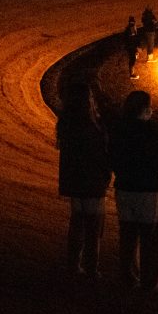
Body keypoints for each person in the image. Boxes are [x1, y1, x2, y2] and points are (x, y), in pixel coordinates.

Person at [109, 90, 158, 292]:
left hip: (125, 189)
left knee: (128, 236)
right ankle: (149, 282)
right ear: (145, 109)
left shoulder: (118, 130)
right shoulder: (153, 132)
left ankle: (129, 277)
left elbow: (113, 159)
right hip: (148, 191)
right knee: (151, 239)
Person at [57, 82, 112, 278]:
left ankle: (73, 264)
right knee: (94, 227)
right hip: (92, 181)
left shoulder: (67, 124)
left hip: (75, 181)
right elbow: (100, 155)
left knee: (77, 224)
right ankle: (91, 267)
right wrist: (106, 175)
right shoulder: (93, 127)